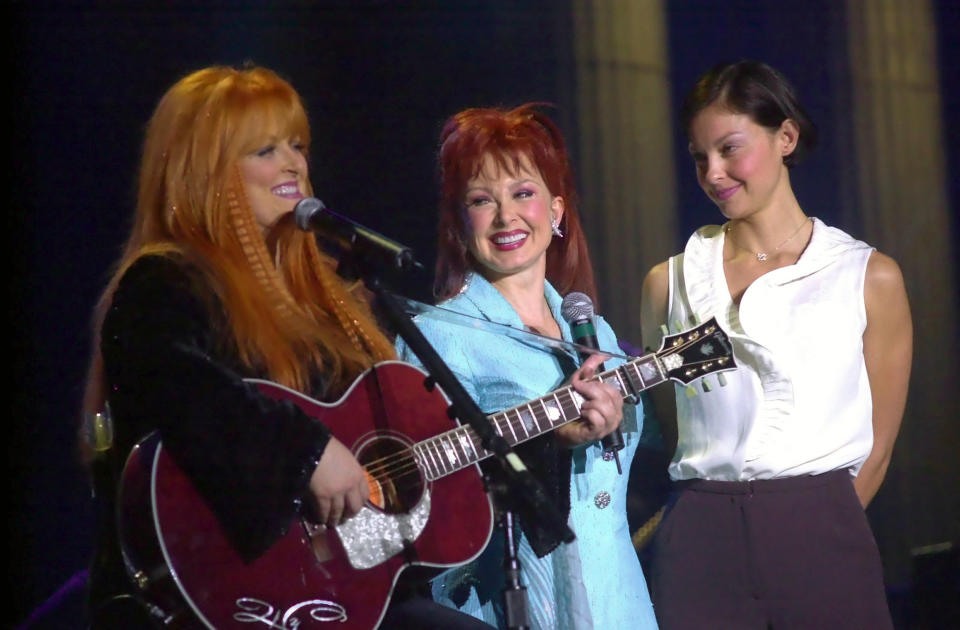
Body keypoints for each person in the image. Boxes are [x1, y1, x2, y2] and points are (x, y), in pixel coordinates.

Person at [80, 65, 492, 630]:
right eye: (265, 150)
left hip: (347, 588)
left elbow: (385, 452)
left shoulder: (334, 301)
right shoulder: (165, 283)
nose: (293, 163)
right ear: (203, 170)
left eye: (297, 146)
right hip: (226, 593)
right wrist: (305, 453)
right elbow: (179, 389)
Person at [640, 60, 912, 629]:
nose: (714, 173)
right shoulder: (669, 282)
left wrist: (810, 523)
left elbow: (879, 446)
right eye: (698, 157)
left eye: (729, 149)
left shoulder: (867, 276)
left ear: (785, 137)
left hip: (820, 531)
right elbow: (674, 423)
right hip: (699, 540)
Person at [396, 104, 659, 630]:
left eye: (523, 193)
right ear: (459, 223)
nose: (505, 216)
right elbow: (427, 499)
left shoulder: (596, 333)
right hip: (513, 597)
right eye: (481, 200)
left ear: (556, 210)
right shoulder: (439, 336)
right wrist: (551, 441)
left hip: (617, 595)